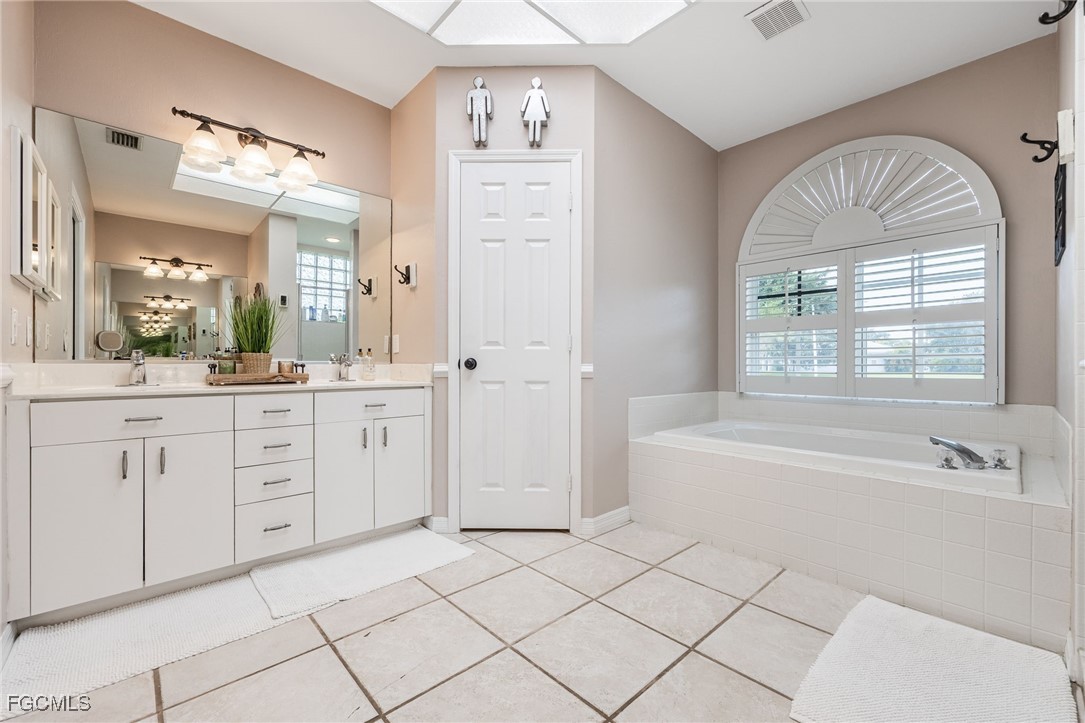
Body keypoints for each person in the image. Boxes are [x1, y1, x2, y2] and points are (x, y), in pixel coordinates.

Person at [520, 77, 550, 147]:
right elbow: (545, 103)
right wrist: (547, 110)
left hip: (533, 111)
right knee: (536, 124)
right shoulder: (540, 92)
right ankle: (535, 139)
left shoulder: (530, 92)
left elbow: (524, 103)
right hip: (538, 111)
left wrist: (522, 109)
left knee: (533, 123)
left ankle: (532, 139)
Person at [466, 76, 494, 147]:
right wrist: (469, 112)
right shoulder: (471, 92)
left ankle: (482, 138)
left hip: (482, 110)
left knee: (482, 122)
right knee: (477, 123)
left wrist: (489, 111)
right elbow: (469, 103)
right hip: (477, 110)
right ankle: (477, 139)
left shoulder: (485, 92)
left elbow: (488, 102)